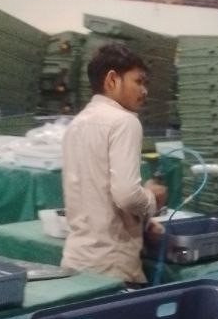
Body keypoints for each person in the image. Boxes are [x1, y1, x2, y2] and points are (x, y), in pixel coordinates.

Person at [61, 43, 167, 285]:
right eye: (138, 81)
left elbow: (95, 193)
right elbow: (127, 195)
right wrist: (152, 198)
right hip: (112, 267)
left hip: (76, 261)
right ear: (112, 80)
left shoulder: (76, 124)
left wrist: (142, 223)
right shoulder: (125, 122)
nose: (144, 91)